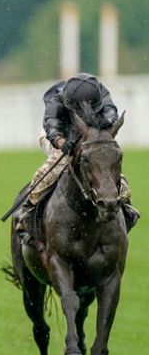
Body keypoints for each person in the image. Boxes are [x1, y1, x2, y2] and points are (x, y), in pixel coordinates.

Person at [13, 73, 139, 234]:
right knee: (58, 165)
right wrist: (62, 143)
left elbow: (111, 114)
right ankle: (28, 209)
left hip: (91, 138)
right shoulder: (56, 97)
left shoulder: (100, 92)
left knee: (105, 164)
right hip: (58, 137)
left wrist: (103, 127)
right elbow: (52, 126)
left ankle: (126, 206)